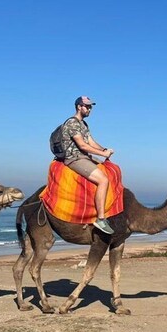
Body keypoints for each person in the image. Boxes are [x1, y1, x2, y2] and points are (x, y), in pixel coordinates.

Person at [61, 96, 115, 234]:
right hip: (74, 158)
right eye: (87, 106)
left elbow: (91, 142)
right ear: (79, 107)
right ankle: (100, 219)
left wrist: (104, 150)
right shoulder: (72, 123)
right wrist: (102, 154)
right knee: (103, 180)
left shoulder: (84, 125)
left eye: (91, 106)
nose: (90, 109)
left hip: (84, 156)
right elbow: (82, 145)